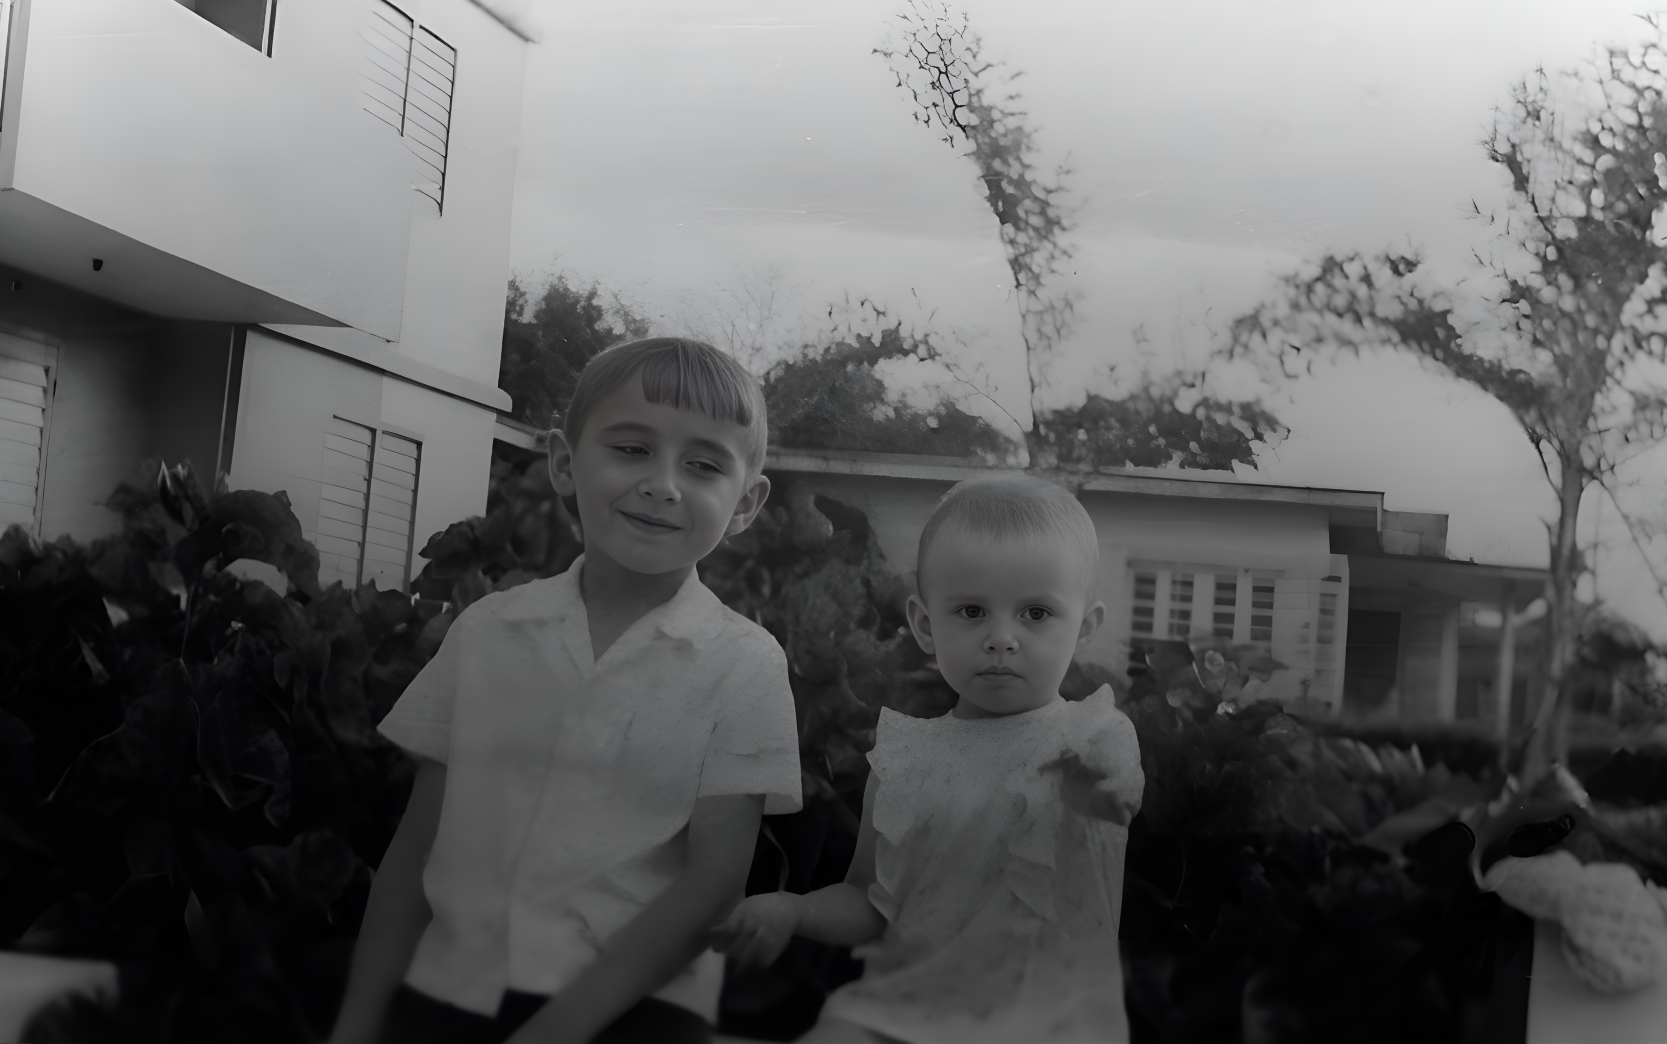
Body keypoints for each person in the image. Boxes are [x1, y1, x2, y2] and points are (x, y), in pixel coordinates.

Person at [329, 337, 802, 1044]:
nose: (663, 484)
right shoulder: (487, 632)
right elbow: (415, 849)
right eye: (632, 449)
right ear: (562, 462)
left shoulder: (745, 665)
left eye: (703, 465)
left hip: (636, 1016)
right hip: (449, 996)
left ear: (746, 502)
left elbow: (712, 886)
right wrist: (357, 1024)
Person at [713, 474, 1144, 1043]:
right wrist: (794, 911)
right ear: (924, 625)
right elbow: (867, 901)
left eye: (1036, 613)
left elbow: (1107, 802)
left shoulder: (1093, 736)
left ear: (1084, 628)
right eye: (972, 611)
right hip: (907, 1010)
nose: (1002, 638)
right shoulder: (904, 760)